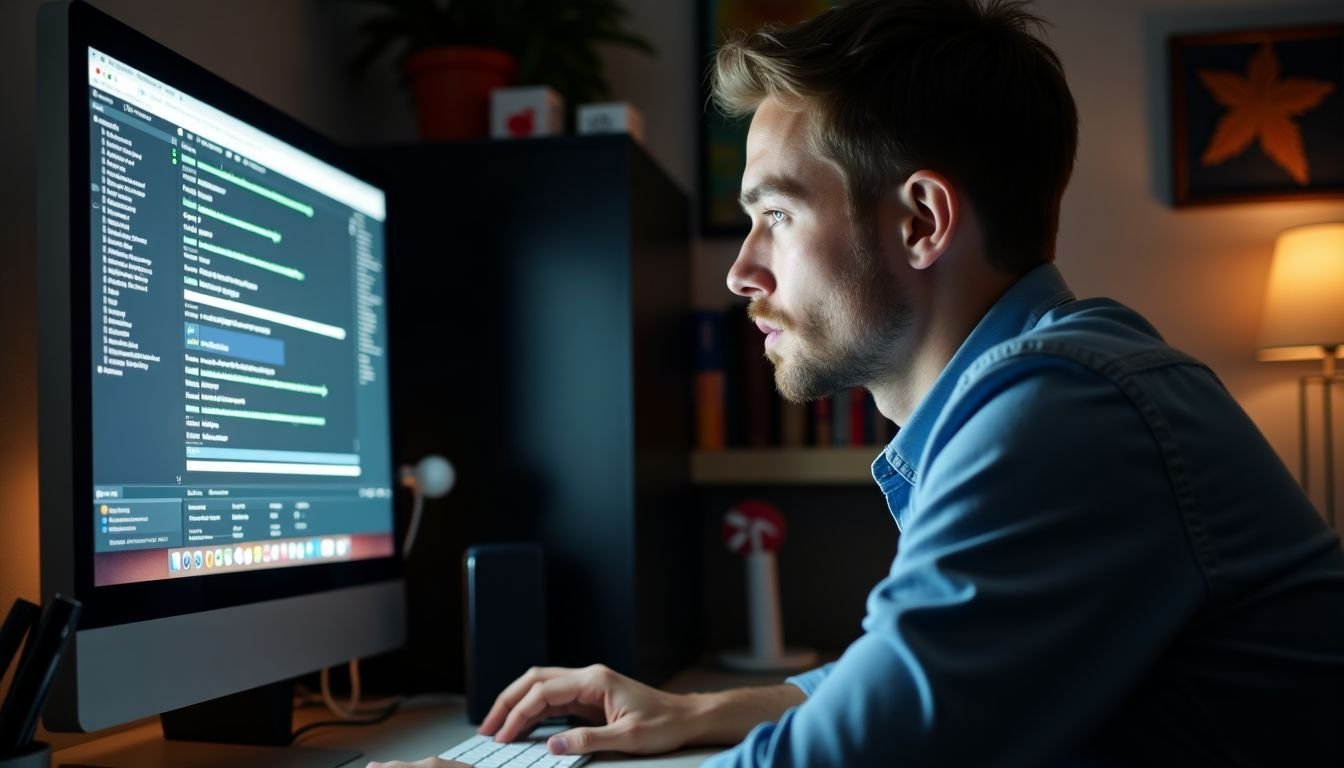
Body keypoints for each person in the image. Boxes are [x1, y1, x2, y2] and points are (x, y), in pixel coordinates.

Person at [370, 0, 1344, 765]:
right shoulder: (1043, 395)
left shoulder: (1067, 409)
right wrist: (701, 711)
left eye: (777, 215)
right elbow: (902, 677)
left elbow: (859, 754)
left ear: (921, 221)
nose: (739, 271)